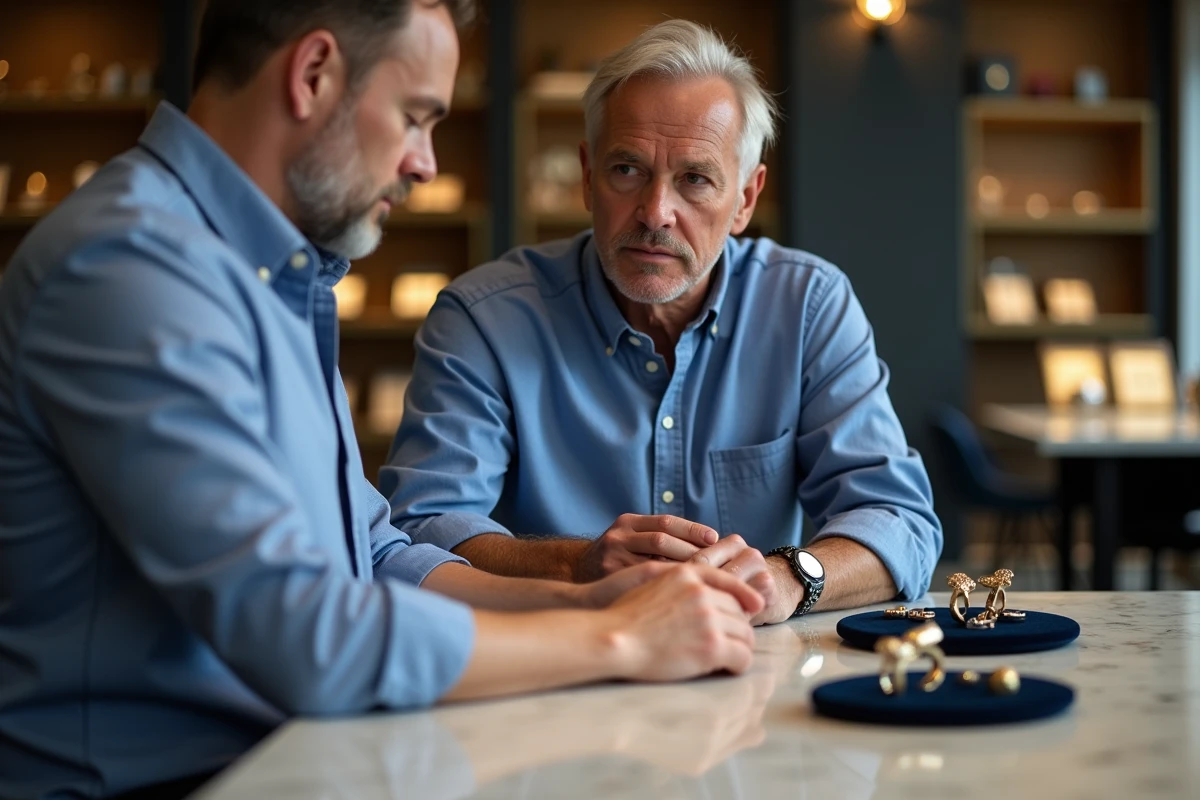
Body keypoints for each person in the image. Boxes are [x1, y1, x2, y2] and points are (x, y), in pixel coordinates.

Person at [0, 3, 765, 798]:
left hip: (293, 761)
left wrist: (588, 592)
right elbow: (302, 633)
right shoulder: (130, 266)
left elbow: (374, 554)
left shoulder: (273, 276)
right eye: (415, 117)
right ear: (314, 76)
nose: (425, 163)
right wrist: (617, 638)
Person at [383, 19, 943, 626]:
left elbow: (899, 521)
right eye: (628, 170)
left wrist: (790, 576)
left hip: (750, 673)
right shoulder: (484, 318)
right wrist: (575, 566)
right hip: (549, 665)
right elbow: (421, 528)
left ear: (745, 201)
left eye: (695, 179)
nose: (656, 213)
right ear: (588, 177)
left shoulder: (807, 306)